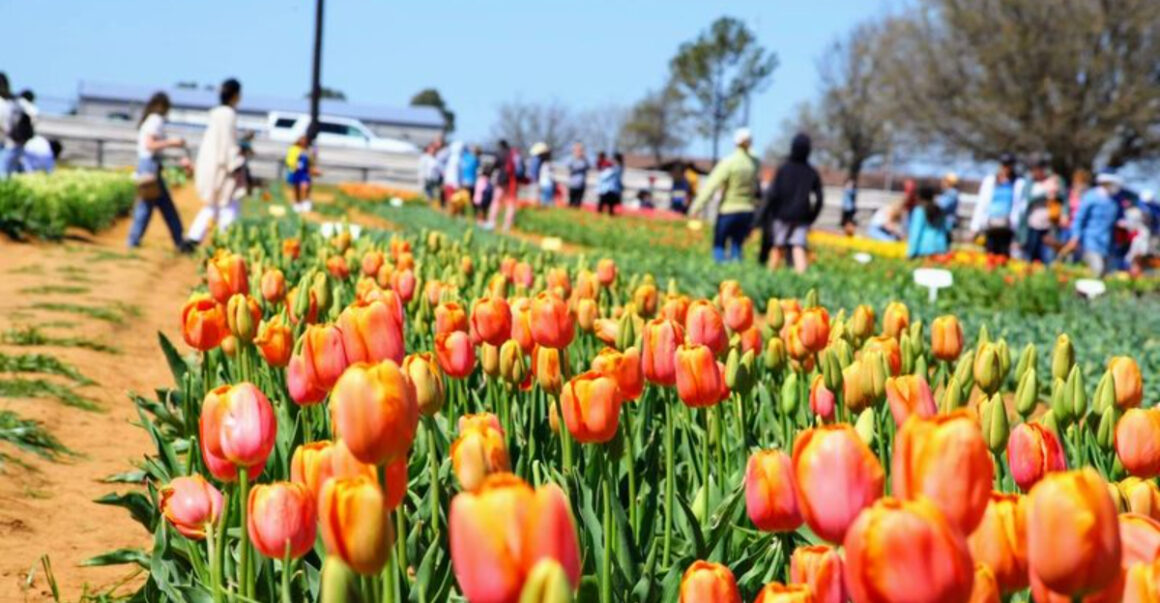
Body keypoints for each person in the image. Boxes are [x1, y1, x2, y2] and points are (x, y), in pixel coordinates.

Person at [127, 92, 190, 251]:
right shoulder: (156, 120)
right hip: (149, 166)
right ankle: (177, 241)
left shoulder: (150, 120)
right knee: (149, 205)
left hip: (148, 165)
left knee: (159, 205)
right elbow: (150, 145)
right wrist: (173, 142)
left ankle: (178, 240)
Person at [690, 128, 761, 263]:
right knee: (737, 246)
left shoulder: (730, 162)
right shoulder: (754, 163)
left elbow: (711, 186)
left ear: (735, 142)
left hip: (729, 210)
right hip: (747, 211)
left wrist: (696, 207)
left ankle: (720, 275)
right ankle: (737, 273)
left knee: (719, 244)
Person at [756, 133, 823, 272]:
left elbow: (773, 193)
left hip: (782, 215)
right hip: (802, 216)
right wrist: (811, 217)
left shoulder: (784, 169)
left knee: (778, 245)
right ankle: (801, 277)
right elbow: (819, 199)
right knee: (798, 246)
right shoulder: (811, 172)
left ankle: (770, 274)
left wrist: (764, 214)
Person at [188, 78, 244, 244]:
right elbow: (227, 143)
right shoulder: (228, 114)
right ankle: (224, 241)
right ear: (235, 95)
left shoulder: (217, 113)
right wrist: (235, 163)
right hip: (223, 166)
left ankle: (193, 238)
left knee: (213, 205)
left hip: (211, 163)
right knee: (228, 205)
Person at [1059, 171, 1124, 276]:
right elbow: (1079, 218)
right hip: (1090, 241)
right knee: (1097, 268)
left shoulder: (1114, 201)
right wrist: (1075, 236)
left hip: (1107, 245)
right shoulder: (1091, 197)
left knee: (1106, 273)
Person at [969, 153, 1027, 257]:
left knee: (1005, 254)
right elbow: (982, 203)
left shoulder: (1019, 183)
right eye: (1004, 164)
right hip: (990, 224)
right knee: (989, 254)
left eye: (1009, 165)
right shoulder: (990, 181)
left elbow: (1021, 206)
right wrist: (975, 226)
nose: (1006, 168)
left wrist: (1019, 230)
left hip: (1008, 226)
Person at [1018, 155, 1065, 264]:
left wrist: (1064, 213)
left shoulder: (1055, 180)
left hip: (1050, 225)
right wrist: (1044, 194)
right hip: (1033, 224)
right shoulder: (1029, 184)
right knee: (1031, 256)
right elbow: (1026, 201)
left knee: (1048, 258)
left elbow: (1063, 199)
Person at [906, 184, 950, 258]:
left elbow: (916, 232)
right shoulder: (940, 210)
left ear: (919, 196)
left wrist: (911, 253)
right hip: (941, 247)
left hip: (924, 248)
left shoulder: (920, 210)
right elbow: (946, 229)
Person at [284, 135, 315, 212]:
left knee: (305, 187)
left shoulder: (308, 150)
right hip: (295, 171)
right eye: (302, 140)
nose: (304, 142)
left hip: (305, 172)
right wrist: (294, 165)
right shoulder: (293, 149)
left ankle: (306, 202)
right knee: (296, 188)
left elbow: (311, 161)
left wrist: (312, 168)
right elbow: (288, 160)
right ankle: (297, 203)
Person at [566, 142, 589, 208]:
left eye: (580, 150)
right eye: (577, 150)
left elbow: (587, 166)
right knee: (571, 202)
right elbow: (569, 166)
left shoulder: (584, 160)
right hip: (573, 184)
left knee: (577, 203)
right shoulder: (571, 159)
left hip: (581, 185)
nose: (579, 152)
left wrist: (584, 157)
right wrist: (575, 157)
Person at [937, 172, 960, 237]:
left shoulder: (952, 193)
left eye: (944, 181)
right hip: (944, 221)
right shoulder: (947, 193)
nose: (942, 182)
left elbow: (942, 206)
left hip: (947, 222)